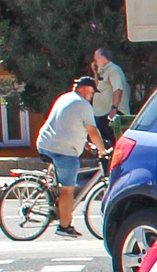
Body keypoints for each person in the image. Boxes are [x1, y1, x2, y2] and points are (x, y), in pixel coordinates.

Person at [34, 75, 106, 239]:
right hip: (63, 150)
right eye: (92, 92)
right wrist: (102, 150)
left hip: (45, 144)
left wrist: (84, 142)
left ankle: (54, 202)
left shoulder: (64, 98)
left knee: (60, 181)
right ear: (87, 89)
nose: (92, 95)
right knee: (67, 188)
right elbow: (93, 131)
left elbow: (68, 124)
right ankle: (64, 226)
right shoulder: (83, 105)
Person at [87, 48, 130, 141]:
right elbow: (97, 87)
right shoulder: (102, 71)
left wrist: (114, 108)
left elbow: (118, 89)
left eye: (95, 60)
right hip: (101, 112)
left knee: (112, 139)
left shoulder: (113, 70)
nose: (94, 63)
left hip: (110, 112)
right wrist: (95, 72)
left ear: (102, 58)